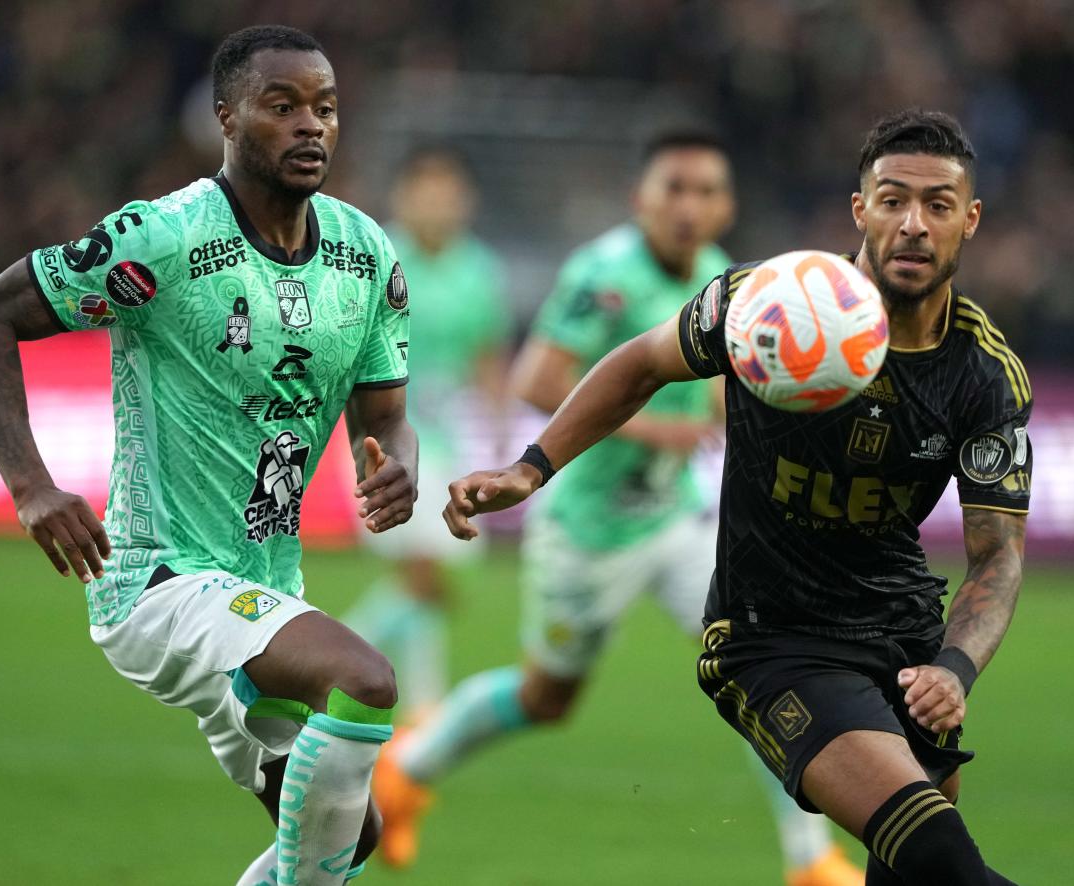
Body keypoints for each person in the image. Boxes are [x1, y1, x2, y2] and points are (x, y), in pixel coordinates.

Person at [442, 109, 1030, 886]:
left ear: (971, 220)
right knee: (947, 864)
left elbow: (996, 555)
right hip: (774, 642)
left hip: (903, 637)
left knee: (911, 875)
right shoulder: (768, 301)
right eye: (892, 200)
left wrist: (954, 668)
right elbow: (640, 362)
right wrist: (530, 467)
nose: (913, 224)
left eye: (938, 205)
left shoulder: (986, 375)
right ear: (860, 210)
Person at [0, 25, 416, 886]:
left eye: (326, 108)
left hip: (262, 586)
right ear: (227, 119)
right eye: (283, 107)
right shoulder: (159, 237)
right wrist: (30, 486)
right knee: (365, 680)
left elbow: (384, 410)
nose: (311, 126)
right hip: (158, 578)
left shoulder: (365, 253)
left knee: (344, 836)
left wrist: (394, 461)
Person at [378, 131, 862, 885]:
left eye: (706, 191)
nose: (689, 205)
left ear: (726, 205)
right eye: (674, 188)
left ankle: (811, 860)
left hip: (675, 522)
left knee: (765, 669)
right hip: (586, 531)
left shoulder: (724, 281)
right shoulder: (603, 274)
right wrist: (653, 426)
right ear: (642, 198)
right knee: (547, 697)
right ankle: (406, 770)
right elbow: (540, 382)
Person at [345, 145, 510, 722]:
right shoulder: (376, 255)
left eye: (448, 194)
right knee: (424, 573)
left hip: (445, 442)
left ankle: (385, 681)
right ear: (404, 199)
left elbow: (488, 355)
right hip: (381, 439)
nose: (438, 205)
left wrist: (497, 428)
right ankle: (387, 681)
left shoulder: (479, 271)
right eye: (426, 193)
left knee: (425, 576)